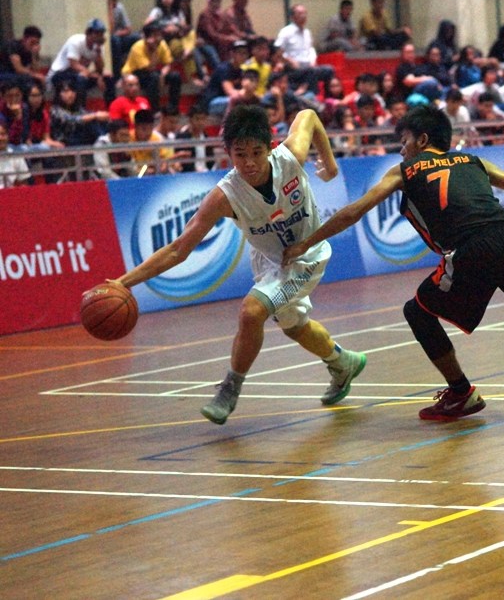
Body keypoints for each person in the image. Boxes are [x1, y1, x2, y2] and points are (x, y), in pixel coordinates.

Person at [283, 105, 504, 420]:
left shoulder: (405, 170)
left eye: (404, 142)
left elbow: (352, 213)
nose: (401, 150)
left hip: (471, 249)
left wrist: (305, 243)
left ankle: (461, 392)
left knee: (417, 311)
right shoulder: (473, 161)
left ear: (422, 140)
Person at [107, 105, 366, 424]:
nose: (249, 162)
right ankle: (342, 362)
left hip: (306, 255)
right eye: (240, 155)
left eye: (256, 153)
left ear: (270, 147)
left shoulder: (290, 157)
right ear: (227, 153)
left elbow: (309, 116)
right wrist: (123, 283)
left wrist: (329, 163)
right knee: (295, 327)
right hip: (269, 261)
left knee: (251, 312)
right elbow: (178, 250)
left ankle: (230, 388)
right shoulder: (224, 197)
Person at [47, 19, 115, 107]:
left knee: (108, 76)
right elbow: (73, 64)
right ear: (88, 33)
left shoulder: (98, 46)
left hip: (79, 74)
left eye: (101, 34)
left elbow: (99, 68)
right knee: (81, 77)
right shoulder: (75, 41)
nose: (99, 36)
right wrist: (96, 76)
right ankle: (80, 108)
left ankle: (111, 107)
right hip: (60, 74)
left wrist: (98, 53)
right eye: (96, 33)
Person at [273, 4, 335, 97]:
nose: (303, 16)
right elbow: (277, 51)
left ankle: (329, 98)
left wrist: (313, 61)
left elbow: (311, 49)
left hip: (308, 67)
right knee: (311, 72)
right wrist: (289, 60)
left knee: (328, 70)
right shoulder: (286, 32)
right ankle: (313, 97)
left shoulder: (307, 32)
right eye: (300, 13)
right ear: (292, 17)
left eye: (305, 13)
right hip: (293, 69)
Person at [121, 22, 182, 113]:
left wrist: (163, 75)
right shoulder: (138, 47)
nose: (159, 38)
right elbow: (149, 68)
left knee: (175, 76)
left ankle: (173, 107)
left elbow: (168, 63)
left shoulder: (162, 44)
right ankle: (154, 110)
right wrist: (154, 49)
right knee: (154, 77)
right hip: (134, 74)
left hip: (152, 73)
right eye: (155, 35)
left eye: (159, 35)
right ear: (147, 37)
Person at [107, 0, 139, 79]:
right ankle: (117, 75)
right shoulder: (102, 8)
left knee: (137, 38)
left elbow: (128, 29)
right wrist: (110, 8)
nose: (115, 2)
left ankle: (136, 72)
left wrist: (117, 34)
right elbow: (110, 30)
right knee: (115, 41)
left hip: (118, 36)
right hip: (106, 39)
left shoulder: (119, 7)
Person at [0, 25, 45, 90]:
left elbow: (36, 70)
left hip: (18, 75)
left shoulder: (30, 51)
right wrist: (35, 75)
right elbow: (19, 69)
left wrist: (34, 54)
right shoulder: (13, 45)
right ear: (24, 39)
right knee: (26, 79)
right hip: (5, 72)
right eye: (32, 42)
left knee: (37, 81)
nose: (34, 45)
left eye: (37, 43)